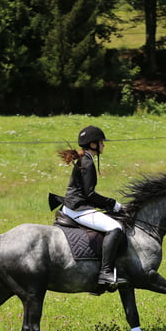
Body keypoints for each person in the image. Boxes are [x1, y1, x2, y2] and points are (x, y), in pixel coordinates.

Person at [57, 125, 124, 292]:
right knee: (115, 227)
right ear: (93, 145)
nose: (104, 145)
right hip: (79, 208)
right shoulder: (87, 162)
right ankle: (106, 273)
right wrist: (112, 203)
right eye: (101, 142)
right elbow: (90, 194)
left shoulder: (85, 159)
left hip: (75, 206)